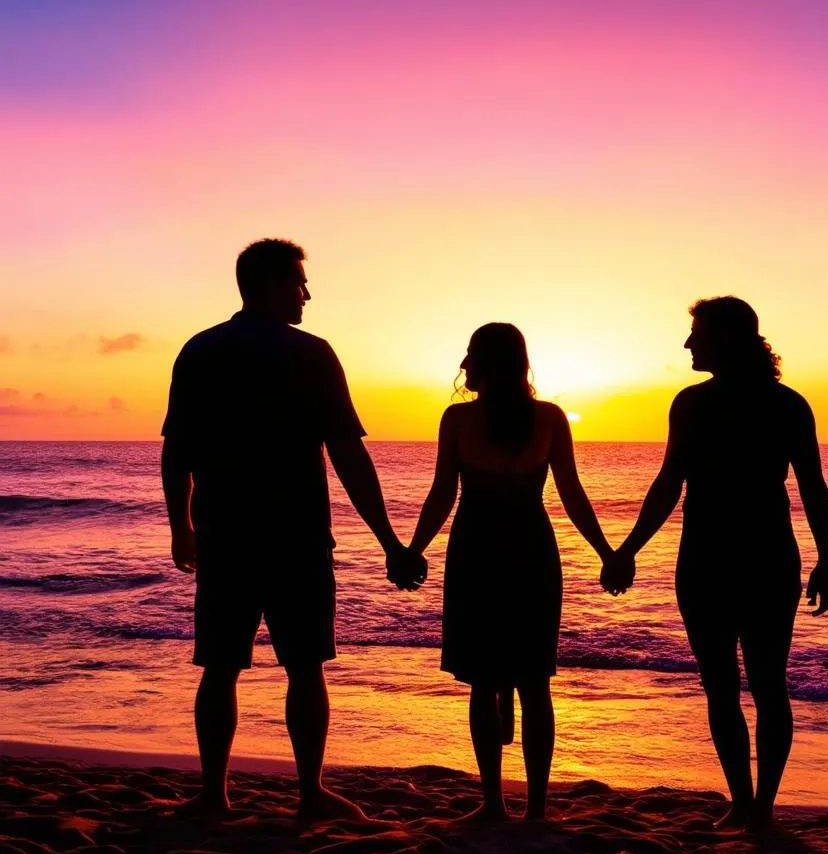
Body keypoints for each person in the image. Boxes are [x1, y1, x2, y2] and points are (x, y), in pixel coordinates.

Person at [161, 238, 425, 819]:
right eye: (299, 282)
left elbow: (177, 452)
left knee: (220, 665)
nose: (307, 293)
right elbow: (349, 456)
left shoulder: (200, 350)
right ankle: (308, 792)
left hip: (225, 535)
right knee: (305, 666)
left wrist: (181, 527)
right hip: (296, 537)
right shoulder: (311, 353)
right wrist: (390, 542)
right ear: (273, 285)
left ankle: (213, 793)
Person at [604, 296, 828, 831]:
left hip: (760, 557)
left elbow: (811, 484)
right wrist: (628, 549)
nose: (688, 343)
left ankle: (761, 806)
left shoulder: (785, 405)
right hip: (710, 559)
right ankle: (744, 802)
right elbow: (668, 484)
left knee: (764, 684)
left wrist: (827, 559)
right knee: (725, 685)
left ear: (727, 338)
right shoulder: (692, 404)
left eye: (697, 333)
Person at [408, 323, 614, 821]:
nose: (463, 365)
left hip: (477, 552)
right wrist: (608, 553)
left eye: (469, 356)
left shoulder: (457, 419)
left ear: (480, 364)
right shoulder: (548, 417)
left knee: (484, 681)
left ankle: (494, 805)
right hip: (530, 553)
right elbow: (571, 494)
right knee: (534, 681)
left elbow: (443, 494)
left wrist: (412, 550)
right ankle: (536, 809)